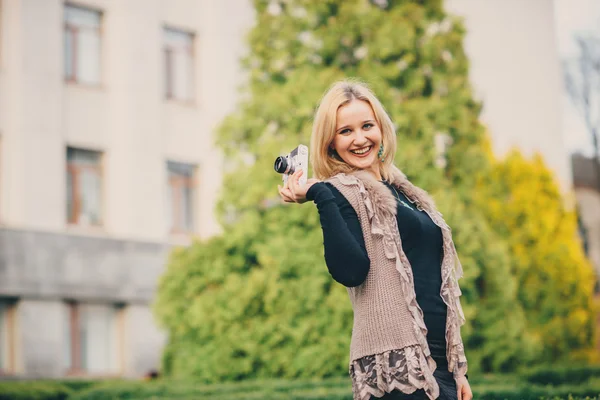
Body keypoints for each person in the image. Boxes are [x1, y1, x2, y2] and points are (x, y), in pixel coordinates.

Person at [277, 80, 473, 400]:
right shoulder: (343, 191)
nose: (359, 139)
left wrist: (457, 369)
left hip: (439, 362)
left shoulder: (406, 192)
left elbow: (436, 282)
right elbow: (350, 271)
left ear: (381, 129)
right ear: (330, 143)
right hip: (396, 362)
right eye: (345, 131)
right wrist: (319, 192)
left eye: (367, 126)